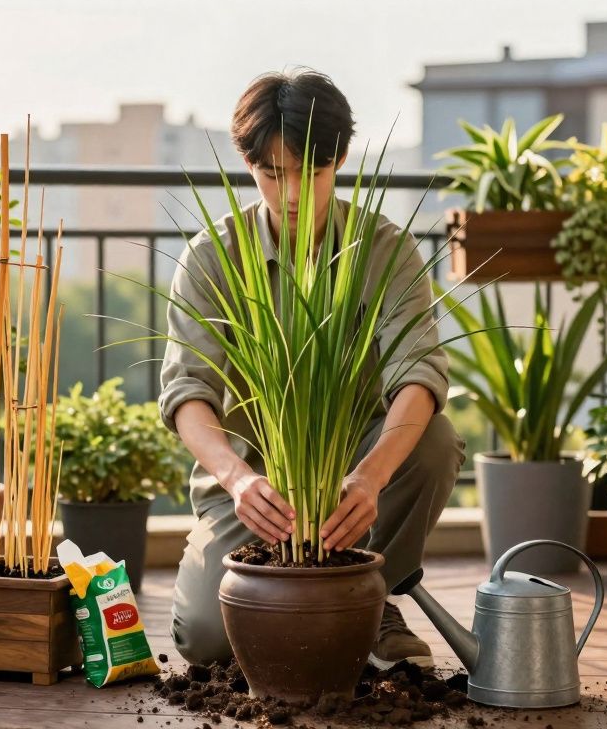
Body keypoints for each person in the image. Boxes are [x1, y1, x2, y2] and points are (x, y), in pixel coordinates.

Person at [160, 68, 466, 668]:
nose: (293, 193)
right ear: (249, 164)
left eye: (312, 172)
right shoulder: (211, 258)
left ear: (342, 157)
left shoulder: (384, 249)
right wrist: (236, 479)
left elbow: (419, 375)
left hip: (355, 477)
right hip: (255, 493)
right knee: (205, 640)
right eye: (274, 174)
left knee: (435, 441)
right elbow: (187, 392)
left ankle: (376, 596)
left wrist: (371, 477)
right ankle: (337, 603)